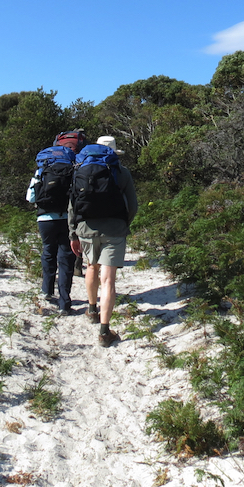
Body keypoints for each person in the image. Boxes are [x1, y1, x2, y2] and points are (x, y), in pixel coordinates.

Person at [68, 135, 138, 347]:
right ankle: (105, 331)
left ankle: (91, 309)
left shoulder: (80, 169)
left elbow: (72, 204)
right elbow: (133, 205)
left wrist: (73, 232)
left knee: (91, 267)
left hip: (86, 228)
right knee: (108, 280)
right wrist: (124, 223)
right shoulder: (122, 172)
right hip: (115, 229)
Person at [26, 130, 86, 314]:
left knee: (48, 252)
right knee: (66, 259)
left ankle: (46, 290)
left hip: (44, 219)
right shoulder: (73, 169)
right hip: (67, 219)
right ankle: (64, 303)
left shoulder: (42, 169)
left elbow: (30, 197)